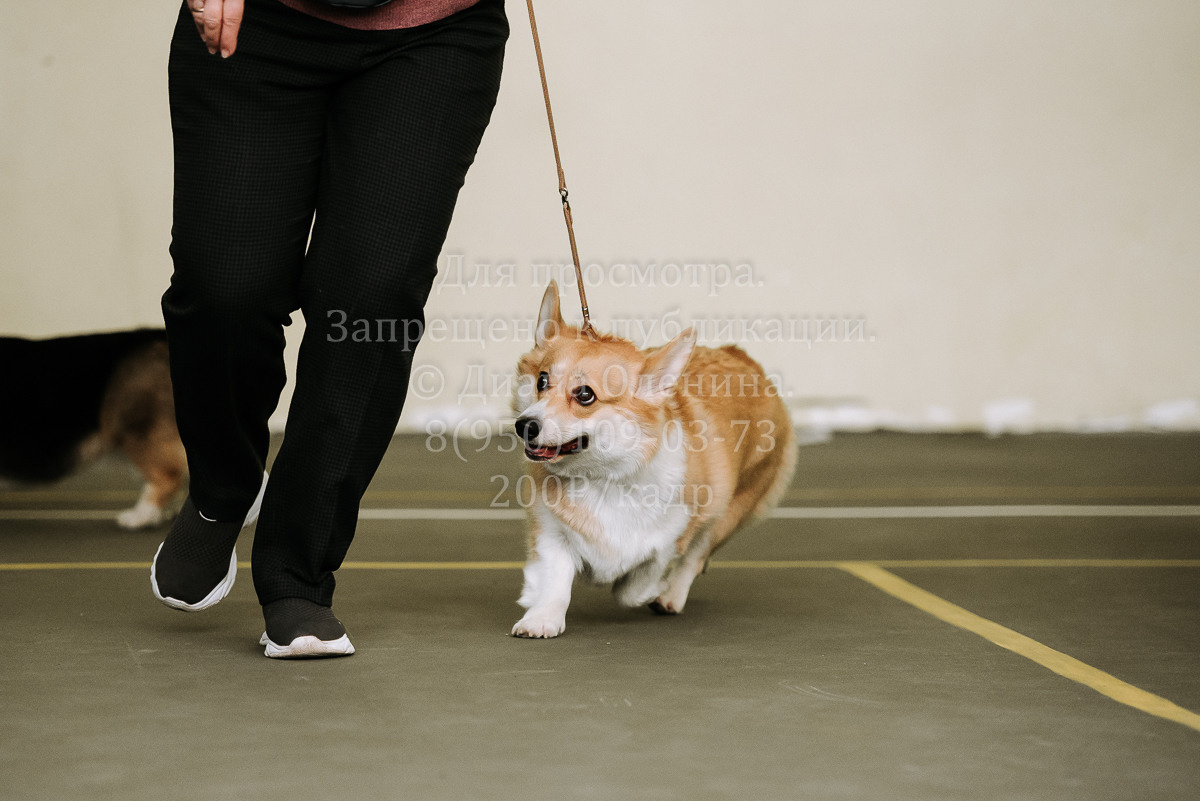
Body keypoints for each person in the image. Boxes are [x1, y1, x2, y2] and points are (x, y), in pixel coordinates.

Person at [149, 0, 508, 658]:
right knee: (226, 286)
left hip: (435, 32)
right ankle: (223, 486)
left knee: (371, 302)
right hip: (257, 20)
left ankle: (298, 572)